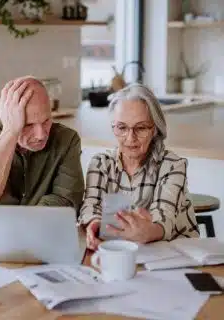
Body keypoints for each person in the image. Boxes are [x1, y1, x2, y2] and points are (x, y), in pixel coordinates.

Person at [78, 83, 199, 250]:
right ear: (114, 127)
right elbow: (90, 206)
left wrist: (147, 230)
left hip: (175, 254)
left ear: (154, 129)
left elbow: (164, 218)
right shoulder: (100, 164)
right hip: (122, 252)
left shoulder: (172, 166)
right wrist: (94, 223)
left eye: (140, 128)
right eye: (122, 127)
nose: (130, 138)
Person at [0, 76, 84, 213]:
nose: (41, 135)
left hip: (39, 231)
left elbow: (66, 201)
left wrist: (22, 226)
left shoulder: (67, 140)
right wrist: (10, 132)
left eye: (46, 120)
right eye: (28, 125)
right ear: (6, 117)